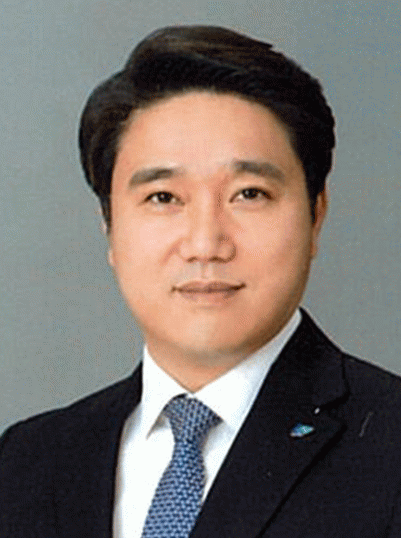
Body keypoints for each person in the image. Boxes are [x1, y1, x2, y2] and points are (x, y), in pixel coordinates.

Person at [1, 25, 401, 538]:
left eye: (249, 194)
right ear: (109, 226)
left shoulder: (389, 444)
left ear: (315, 215)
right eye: (163, 198)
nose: (206, 243)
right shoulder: (27, 463)